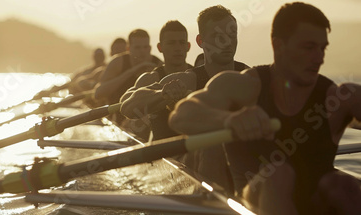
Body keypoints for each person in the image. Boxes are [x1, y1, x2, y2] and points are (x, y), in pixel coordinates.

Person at [169, 2, 361, 214]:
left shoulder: (338, 97)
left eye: (322, 48)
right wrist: (229, 120)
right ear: (278, 46)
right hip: (253, 198)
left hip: (313, 200)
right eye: (308, 48)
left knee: (344, 185)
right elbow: (181, 115)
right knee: (279, 174)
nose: (319, 58)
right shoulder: (245, 86)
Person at [120, 5, 248, 191]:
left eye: (231, 34)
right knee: (212, 146)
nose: (226, 42)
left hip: (236, 166)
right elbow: (127, 106)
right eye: (217, 36)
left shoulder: (250, 76)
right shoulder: (187, 80)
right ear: (200, 41)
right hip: (182, 165)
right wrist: (162, 94)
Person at [94, 29, 163, 105]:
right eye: (137, 47)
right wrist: (131, 72)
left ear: (150, 48)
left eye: (145, 47)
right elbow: (98, 94)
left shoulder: (158, 64)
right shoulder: (117, 63)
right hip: (118, 111)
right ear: (128, 49)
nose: (142, 51)